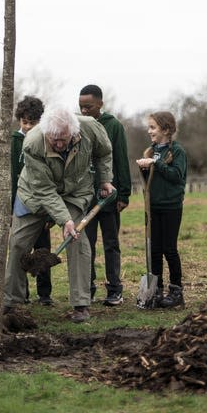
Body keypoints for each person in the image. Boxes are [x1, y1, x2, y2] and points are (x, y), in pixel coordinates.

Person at [4, 104, 114, 323]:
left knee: (78, 241)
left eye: (64, 138)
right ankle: (13, 301)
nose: (59, 143)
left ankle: (81, 303)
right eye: (54, 139)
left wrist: (105, 179)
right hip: (35, 194)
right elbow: (44, 190)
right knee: (18, 243)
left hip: (75, 191)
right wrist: (64, 220)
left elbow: (104, 153)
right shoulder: (33, 142)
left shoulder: (90, 127)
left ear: (74, 131)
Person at [78, 84, 131, 306]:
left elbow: (120, 158)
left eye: (88, 106)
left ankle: (114, 289)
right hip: (85, 197)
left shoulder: (113, 126)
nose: (84, 111)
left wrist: (124, 194)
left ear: (100, 104)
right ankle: (86, 287)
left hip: (108, 197)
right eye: (80, 107)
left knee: (111, 243)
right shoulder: (79, 126)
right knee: (85, 245)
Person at [136, 111, 187, 308]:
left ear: (166, 130)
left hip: (171, 207)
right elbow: (151, 178)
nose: (149, 131)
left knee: (169, 249)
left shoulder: (177, 152)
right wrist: (144, 166)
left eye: (153, 127)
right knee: (154, 250)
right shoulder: (151, 151)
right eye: (149, 127)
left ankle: (176, 292)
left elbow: (176, 176)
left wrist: (156, 163)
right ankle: (155, 291)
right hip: (153, 206)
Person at [11, 95, 53, 306]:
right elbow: (10, 178)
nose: (27, 126)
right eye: (24, 122)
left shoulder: (46, 141)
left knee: (43, 251)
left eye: (32, 122)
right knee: (20, 251)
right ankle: (22, 294)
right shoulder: (13, 141)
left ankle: (45, 294)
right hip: (21, 204)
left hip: (43, 205)